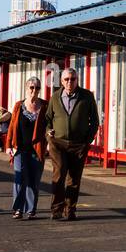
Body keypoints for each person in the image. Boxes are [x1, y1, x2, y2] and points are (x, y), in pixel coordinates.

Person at [44, 68, 99, 221]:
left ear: (77, 80)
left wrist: (87, 141)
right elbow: (47, 119)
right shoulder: (55, 97)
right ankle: (56, 209)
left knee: (74, 179)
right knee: (59, 174)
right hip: (58, 143)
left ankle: (70, 210)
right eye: (66, 79)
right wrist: (48, 132)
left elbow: (94, 121)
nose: (69, 82)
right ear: (62, 81)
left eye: (72, 79)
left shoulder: (87, 96)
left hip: (78, 145)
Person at [7, 77, 48, 219]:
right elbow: (12, 126)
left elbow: (50, 125)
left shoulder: (45, 105)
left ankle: (30, 210)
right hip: (20, 149)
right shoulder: (19, 105)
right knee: (19, 177)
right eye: (31, 87)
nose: (34, 90)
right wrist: (8, 146)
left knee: (33, 180)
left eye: (37, 88)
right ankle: (18, 208)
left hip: (37, 150)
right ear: (26, 88)